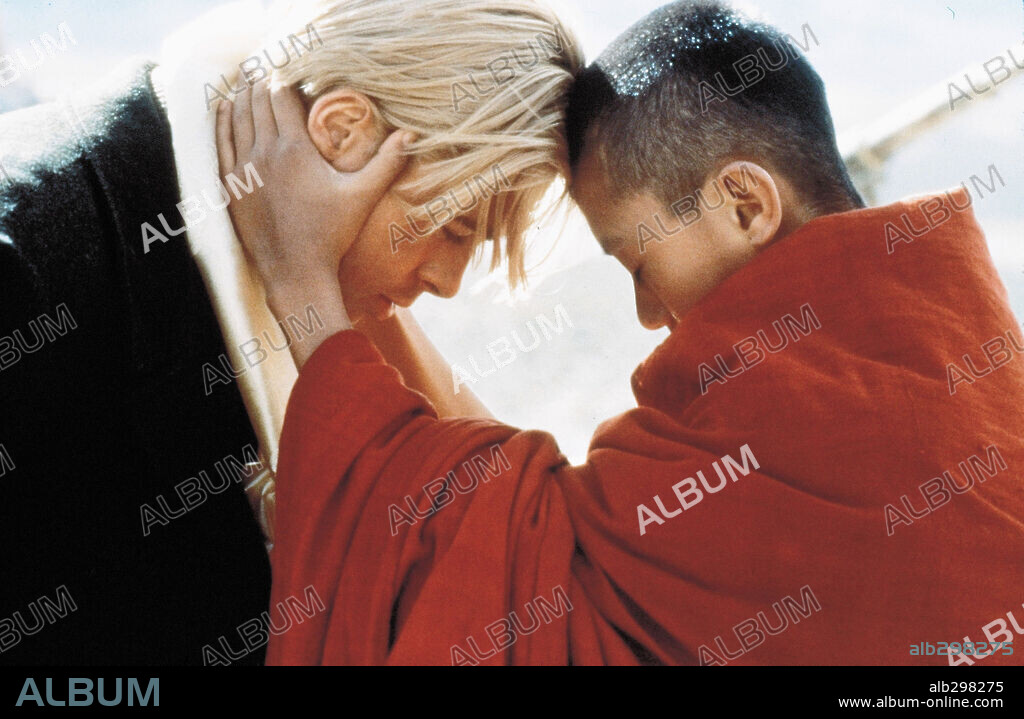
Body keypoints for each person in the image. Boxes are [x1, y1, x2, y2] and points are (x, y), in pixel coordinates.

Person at [222, 0, 1024, 666]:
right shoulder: (960, 356)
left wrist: (299, 277)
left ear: (745, 203)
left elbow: (517, 586)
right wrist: (366, 299)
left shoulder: (818, 417)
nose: (644, 313)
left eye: (637, 261)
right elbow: (539, 538)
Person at [0, 0, 580, 664]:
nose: (450, 283)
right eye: (453, 228)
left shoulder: (260, 265)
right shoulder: (28, 272)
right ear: (340, 131)